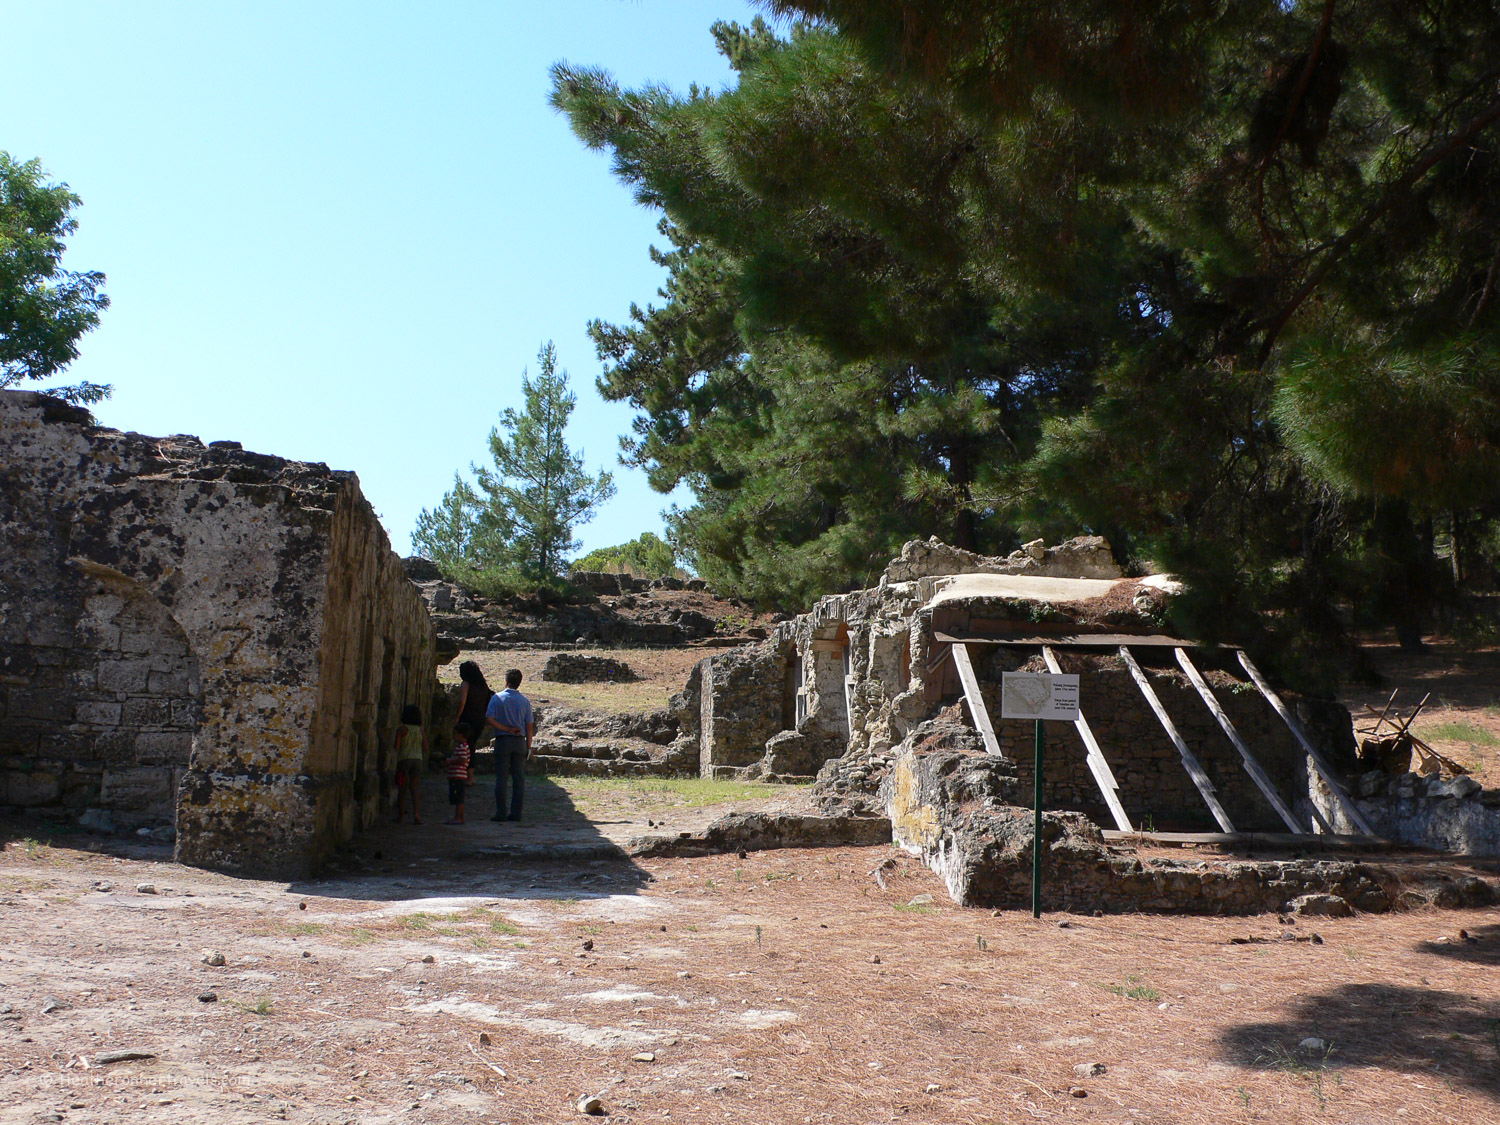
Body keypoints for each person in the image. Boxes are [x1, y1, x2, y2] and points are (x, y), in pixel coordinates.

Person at [485, 668, 534, 822]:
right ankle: (516, 813)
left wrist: (506, 729)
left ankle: (501, 812)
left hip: (502, 740)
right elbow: (529, 725)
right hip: (520, 741)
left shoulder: (497, 698)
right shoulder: (525, 701)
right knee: (519, 779)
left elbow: (489, 719)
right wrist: (529, 746)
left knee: (501, 778)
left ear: (506, 681)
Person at [392, 704, 427, 825]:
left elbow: (397, 747)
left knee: (403, 788)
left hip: (404, 760)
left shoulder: (402, 730)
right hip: (418, 760)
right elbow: (425, 747)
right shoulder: (420, 730)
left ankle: (400, 815)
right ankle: (417, 814)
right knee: (414, 789)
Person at [454, 661, 495, 751]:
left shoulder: (466, 684)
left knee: (466, 744)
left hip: (467, 717)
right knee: (472, 744)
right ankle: (471, 764)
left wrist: (457, 717)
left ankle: (466, 763)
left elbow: (462, 702)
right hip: (480, 719)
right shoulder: (483, 686)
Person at [445, 723, 475, 825]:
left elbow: (462, 760)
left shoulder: (462, 747)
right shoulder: (464, 746)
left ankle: (458, 817)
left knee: (458, 798)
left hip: (458, 776)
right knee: (460, 798)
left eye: (456, 734)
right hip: (460, 776)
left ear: (461, 734)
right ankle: (460, 817)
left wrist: (450, 761)